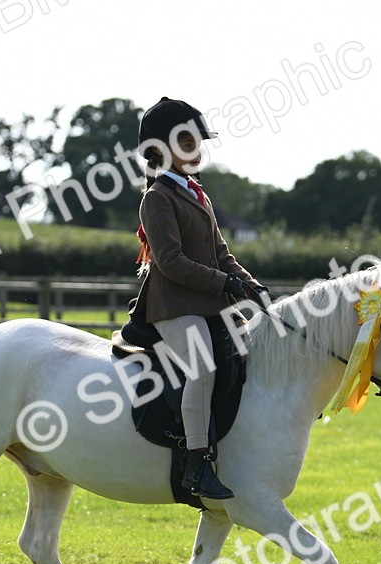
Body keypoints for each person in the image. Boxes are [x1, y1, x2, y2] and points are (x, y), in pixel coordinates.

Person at [130, 97, 268, 500]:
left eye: (197, 142)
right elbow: (171, 262)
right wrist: (225, 284)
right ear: (160, 149)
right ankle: (196, 464)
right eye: (186, 141)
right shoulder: (156, 198)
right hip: (170, 305)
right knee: (202, 367)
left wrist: (252, 286)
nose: (196, 149)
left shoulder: (197, 195)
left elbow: (222, 254)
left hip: (207, 303)